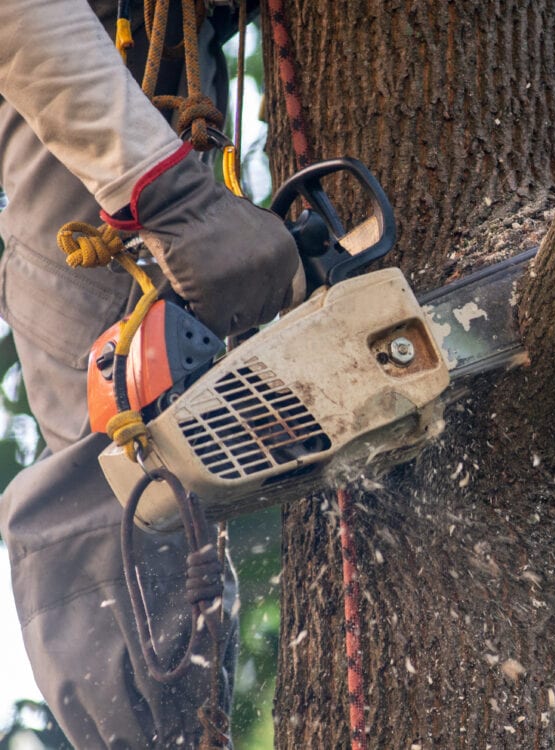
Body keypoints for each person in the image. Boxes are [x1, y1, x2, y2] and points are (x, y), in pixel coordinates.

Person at [0, 0, 299, 746]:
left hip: (153, 52)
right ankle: (161, 724)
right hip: (80, 46)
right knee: (119, 453)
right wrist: (168, 195)